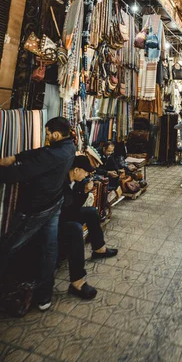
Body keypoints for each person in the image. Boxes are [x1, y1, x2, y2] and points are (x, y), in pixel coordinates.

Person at [0, 117, 76, 311]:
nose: (46, 136)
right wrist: (17, 157)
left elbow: (17, 175)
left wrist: (5, 167)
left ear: (56, 134)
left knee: (7, 248)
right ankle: (44, 297)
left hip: (35, 210)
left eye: (49, 133)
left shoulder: (53, 155)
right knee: (49, 250)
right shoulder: (69, 147)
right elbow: (43, 151)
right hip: (54, 204)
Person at [59, 156, 118, 300]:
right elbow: (70, 209)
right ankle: (77, 282)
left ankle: (99, 249)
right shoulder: (62, 182)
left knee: (91, 212)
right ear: (77, 170)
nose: (86, 175)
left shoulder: (72, 179)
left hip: (65, 214)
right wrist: (85, 192)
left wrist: (83, 189)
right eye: (85, 172)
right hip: (56, 221)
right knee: (75, 229)